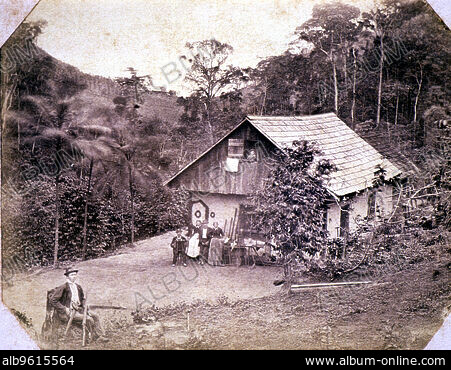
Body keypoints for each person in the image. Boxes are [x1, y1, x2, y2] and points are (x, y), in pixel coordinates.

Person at [49, 267, 108, 343]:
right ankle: (94, 337)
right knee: (89, 319)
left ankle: (100, 335)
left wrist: (84, 305)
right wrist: (64, 309)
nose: (74, 276)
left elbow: (82, 298)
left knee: (95, 316)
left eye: (75, 275)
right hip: (68, 312)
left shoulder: (78, 287)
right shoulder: (63, 287)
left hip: (79, 310)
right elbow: (53, 300)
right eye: (72, 275)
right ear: (67, 276)